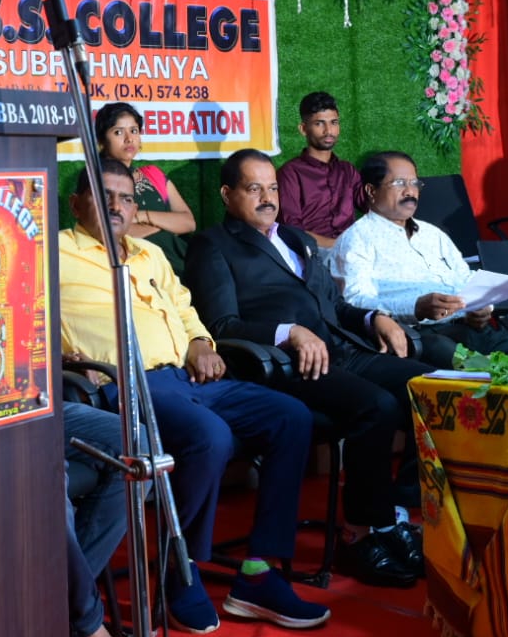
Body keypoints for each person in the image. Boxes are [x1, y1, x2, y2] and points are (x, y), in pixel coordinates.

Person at [58, 160, 330, 634]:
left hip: (189, 376)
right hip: (124, 385)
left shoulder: (149, 254)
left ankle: (258, 572)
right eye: (105, 196)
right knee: (210, 436)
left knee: (291, 416)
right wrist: (61, 357)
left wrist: (201, 343)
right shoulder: (54, 254)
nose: (118, 207)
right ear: (77, 203)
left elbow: (184, 309)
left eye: (127, 198)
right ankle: (179, 569)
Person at [184, 149, 430, 589]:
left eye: (272, 188)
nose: (267, 198)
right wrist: (288, 332)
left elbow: (334, 306)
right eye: (254, 188)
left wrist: (375, 318)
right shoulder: (213, 246)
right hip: (287, 363)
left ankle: (392, 517)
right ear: (227, 194)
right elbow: (222, 325)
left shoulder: (297, 239)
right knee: (376, 406)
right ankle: (360, 533)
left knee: (425, 386)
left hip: (342, 348)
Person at [332, 151, 508, 366]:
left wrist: (482, 307)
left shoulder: (432, 234)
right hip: (418, 336)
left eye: (414, 183)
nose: (410, 191)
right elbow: (356, 303)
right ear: (371, 191)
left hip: (470, 328)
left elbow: (465, 278)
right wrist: (415, 307)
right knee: (485, 369)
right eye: (399, 183)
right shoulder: (357, 239)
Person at [95, 101, 195, 272]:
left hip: (183, 266)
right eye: (118, 132)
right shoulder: (96, 179)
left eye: (134, 131)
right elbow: (109, 232)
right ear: (101, 139)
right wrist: (166, 225)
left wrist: (142, 216)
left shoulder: (152, 174)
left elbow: (188, 222)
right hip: (140, 272)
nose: (129, 138)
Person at [64, 402, 127, 637]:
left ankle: (59, 606)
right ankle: (84, 623)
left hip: (30, 402)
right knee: (43, 472)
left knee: (136, 446)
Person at [276, 91, 364, 248]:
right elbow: (291, 229)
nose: (328, 131)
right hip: (310, 254)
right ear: (303, 129)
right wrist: (337, 246)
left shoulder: (347, 170)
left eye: (334, 123)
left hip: (352, 252)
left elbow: (370, 206)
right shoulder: (290, 173)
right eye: (319, 123)